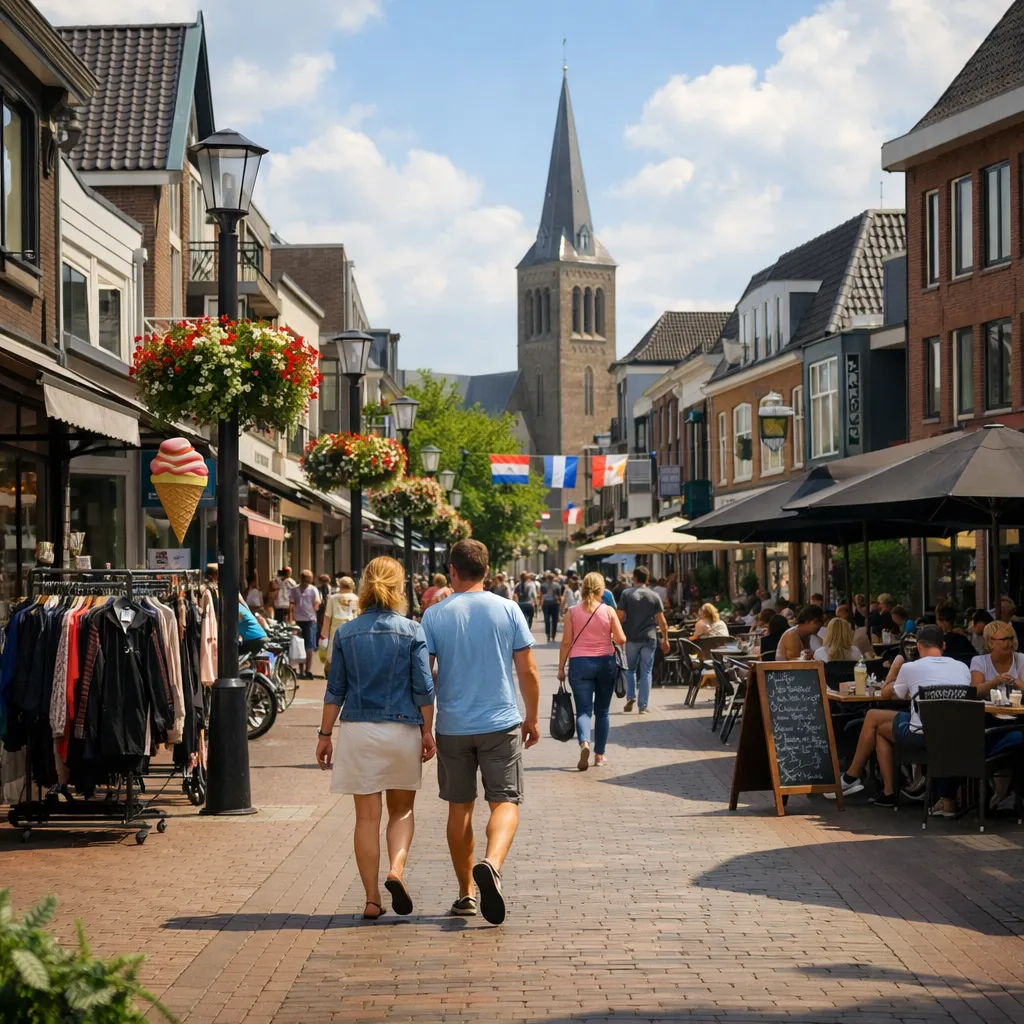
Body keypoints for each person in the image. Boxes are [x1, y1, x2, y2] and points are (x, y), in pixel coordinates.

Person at [421, 539, 541, 925]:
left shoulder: (434, 615)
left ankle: (465, 894)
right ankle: (492, 863)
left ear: (452, 571)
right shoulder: (508, 609)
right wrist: (533, 717)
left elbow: (424, 677)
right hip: (500, 722)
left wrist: (425, 726)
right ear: (487, 571)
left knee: (460, 808)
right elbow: (528, 670)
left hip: (453, 726)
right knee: (505, 800)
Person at [316, 556, 435, 920]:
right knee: (402, 810)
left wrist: (324, 735)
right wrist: (427, 731)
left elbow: (334, 689)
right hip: (402, 730)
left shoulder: (346, 633)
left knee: (366, 818)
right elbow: (424, 688)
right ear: (400, 587)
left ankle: (371, 899)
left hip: (358, 731)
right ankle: (395, 870)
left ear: (364, 584)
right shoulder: (412, 630)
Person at [829, 625, 1013, 811]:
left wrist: (894, 668)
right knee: (877, 724)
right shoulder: (962, 667)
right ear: (943, 645)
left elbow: (886, 694)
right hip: (956, 734)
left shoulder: (910, 667)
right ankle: (874, 786)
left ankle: (866, 782)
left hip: (924, 734)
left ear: (918, 646)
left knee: (873, 719)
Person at [557, 571, 627, 770]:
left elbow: (566, 642)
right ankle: (599, 755)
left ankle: (585, 743)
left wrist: (561, 667)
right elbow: (621, 640)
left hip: (579, 663)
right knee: (602, 711)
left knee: (583, 711)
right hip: (605, 663)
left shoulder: (572, 611)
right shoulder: (608, 611)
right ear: (601, 589)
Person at [617, 566, 670, 714]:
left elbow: (619, 616)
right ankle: (643, 706)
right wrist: (665, 639)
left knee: (630, 669)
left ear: (634, 578)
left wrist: (616, 634)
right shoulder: (654, 596)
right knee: (646, 671)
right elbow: (662, 620)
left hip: (631, 637)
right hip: (649, 637)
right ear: (647, 579)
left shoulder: (626, 594)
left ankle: (631, 697)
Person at [321, 576, 359, 671]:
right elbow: (356, 614)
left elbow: (327, 617)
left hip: (336, 630)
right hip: (352, 630)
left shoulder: (332, 598)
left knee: (333, 655)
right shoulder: (355, 598)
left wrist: (323, 636)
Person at [289, 569, 322, 679]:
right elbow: (317, 604)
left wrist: (290, 618)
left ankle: (302, 670)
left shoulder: (294, 589)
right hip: (309, 620)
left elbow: (291, 605)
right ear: (311, 579)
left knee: (300, 645)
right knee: (308, 645)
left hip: (298, 620)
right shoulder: (313, 589)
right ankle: (307, 670)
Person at [541, 572, 563, 643]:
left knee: (547, 620)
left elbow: (541, 596)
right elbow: (559, 596)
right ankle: (553, 636)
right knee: (554, 620)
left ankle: (548, 635)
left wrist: (540, 604)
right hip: (555, 604)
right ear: (554, 578)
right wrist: (561, 604)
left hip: (546, 603)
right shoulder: (557, 586)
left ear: (547, 578)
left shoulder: (543, 586)